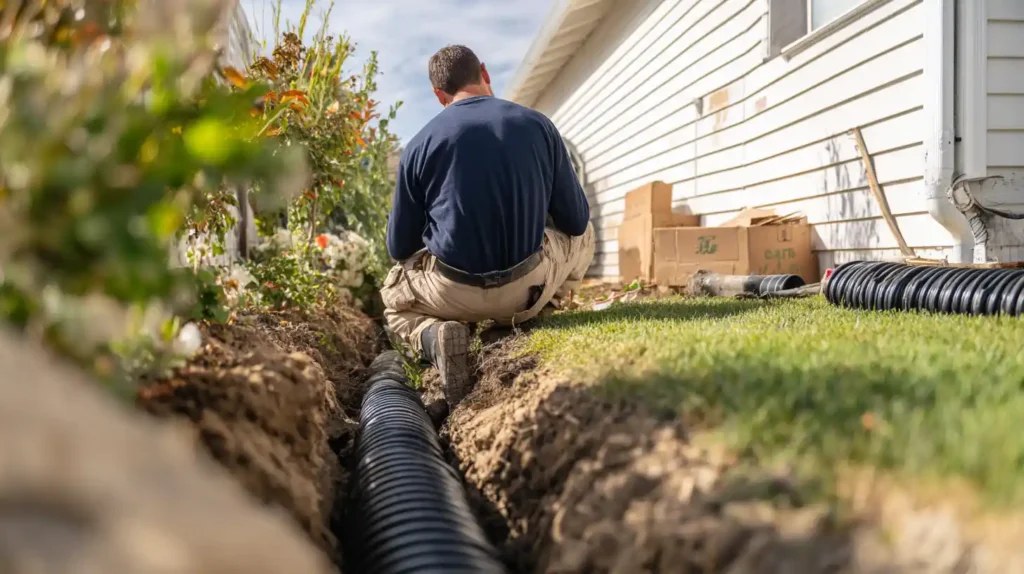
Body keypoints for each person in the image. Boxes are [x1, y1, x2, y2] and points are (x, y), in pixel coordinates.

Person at [382, 44, 595, 414]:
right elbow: (575, 221)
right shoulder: (539, 126)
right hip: (529, 288)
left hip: (452, 296)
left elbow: (399, 248)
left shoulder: (418, 146)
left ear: (438, 95)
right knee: (586, 233)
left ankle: (434, 338)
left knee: (393, 302)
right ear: (484, 72)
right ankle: (537, 316)